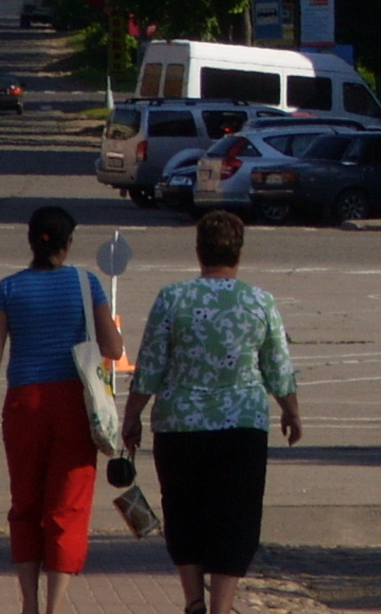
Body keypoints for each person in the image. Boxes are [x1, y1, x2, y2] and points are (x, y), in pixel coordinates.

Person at [123, 210, 302, 614]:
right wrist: (291, 411)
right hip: (242, 425)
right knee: (235, 516)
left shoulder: (173, 298)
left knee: (184, 510)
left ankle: (192, 600)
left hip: (180, 424)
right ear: (239, 252)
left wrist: (131, 415)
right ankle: (221, 606)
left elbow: (150, 365)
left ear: (199, 251)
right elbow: (277, 366)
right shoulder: (259, 301)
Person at [0, 204, 124, 614]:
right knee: (67, 506)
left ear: (31, 241)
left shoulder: (8, 288)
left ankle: (28, 603)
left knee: (25, 504)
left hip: (23, 402)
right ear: (68, 243)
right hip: (73, 402)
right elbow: (113, 349)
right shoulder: (86, 283)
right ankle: (55, 606)